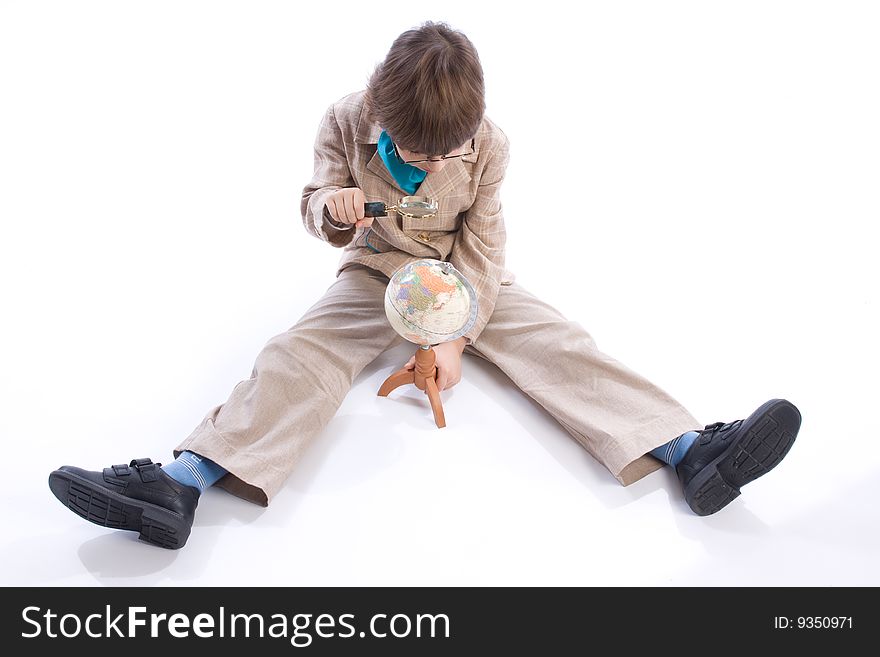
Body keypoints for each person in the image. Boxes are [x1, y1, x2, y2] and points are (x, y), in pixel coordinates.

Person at [48, 22, 801, 550]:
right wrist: (331, 210)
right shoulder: (345, 120)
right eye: (416, 152)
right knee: (297, 355)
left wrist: (455, 334)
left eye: (451, 154)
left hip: (463, 275)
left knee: (558, 342)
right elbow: (312, 202)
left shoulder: (492, 145)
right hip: (376, 267)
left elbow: (486, 239)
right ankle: (179, 483)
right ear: (379, 110)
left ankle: (692, 451)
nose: (435, 166)